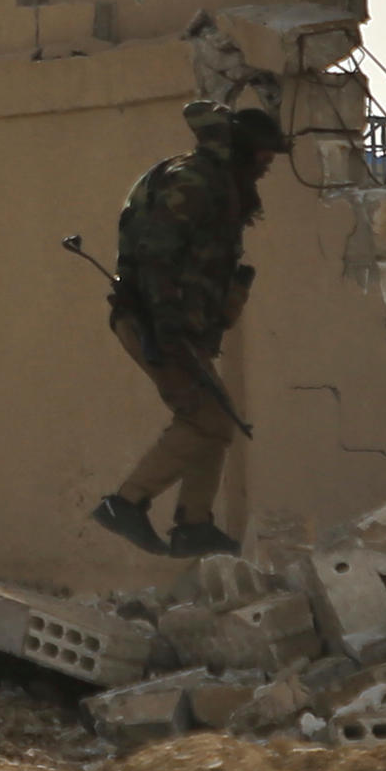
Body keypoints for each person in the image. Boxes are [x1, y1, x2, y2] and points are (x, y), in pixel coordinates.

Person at [88, 81, 285, 557]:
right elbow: (157, 255)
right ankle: (125, 503)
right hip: (154, 324)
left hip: (174, 327)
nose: (267, 164)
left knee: (217, 420)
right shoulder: (196, 181)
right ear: (242, 151)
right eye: (261, 155)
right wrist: (170, 324)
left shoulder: (221, 187)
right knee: (203, 420)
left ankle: (194, 524)